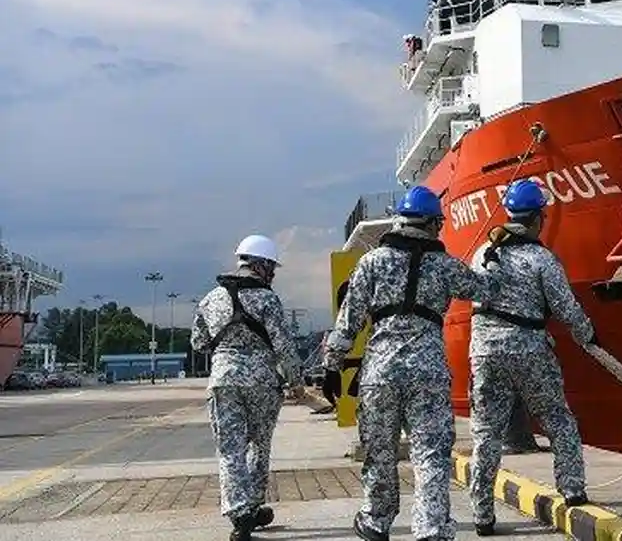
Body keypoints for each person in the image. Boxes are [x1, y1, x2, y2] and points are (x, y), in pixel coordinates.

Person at [322, 185, 497, 541]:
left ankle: (375, 520)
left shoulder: (371, 261)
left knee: (380, 451)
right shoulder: (445, 265)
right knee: (430, 453)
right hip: (427, 371)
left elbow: (349, 320)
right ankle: (431, 528)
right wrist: (492, 261)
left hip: (380, 373)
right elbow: (486, 290)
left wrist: (332, 365)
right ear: (433, 223)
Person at [468, 179, 598, 536]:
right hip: (529, 350)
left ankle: (481, 515)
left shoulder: (482, 253)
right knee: (558, 419)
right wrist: (587, 333)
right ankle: (571, 490)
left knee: (486, 433)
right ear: (538, 218)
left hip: (485, 352)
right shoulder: (541, 258)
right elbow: (564, 307)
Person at [192, 233, 303, 541]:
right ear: (262, 264)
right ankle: (253, 506)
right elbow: (283, 345)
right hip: (262, 383)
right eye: (272, 267)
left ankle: (240, 515)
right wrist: (295, 380)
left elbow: (198, 342)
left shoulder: (210, 299)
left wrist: (226, 346)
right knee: (259, 446)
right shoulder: (268, 299)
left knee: (230, 450)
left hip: (224, 381)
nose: (274, 273)